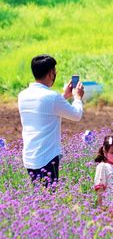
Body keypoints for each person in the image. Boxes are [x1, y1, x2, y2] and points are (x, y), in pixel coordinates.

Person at [18, 54, 84, 186]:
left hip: (30, 156)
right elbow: (76, 115)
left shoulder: (23, 95)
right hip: (47, 157)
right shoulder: (52, 97)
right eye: (55, 72)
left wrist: (64, 95)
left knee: (38, 197)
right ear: (50, 74)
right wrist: (77, 97)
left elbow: (44, 108)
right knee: (49, 197)